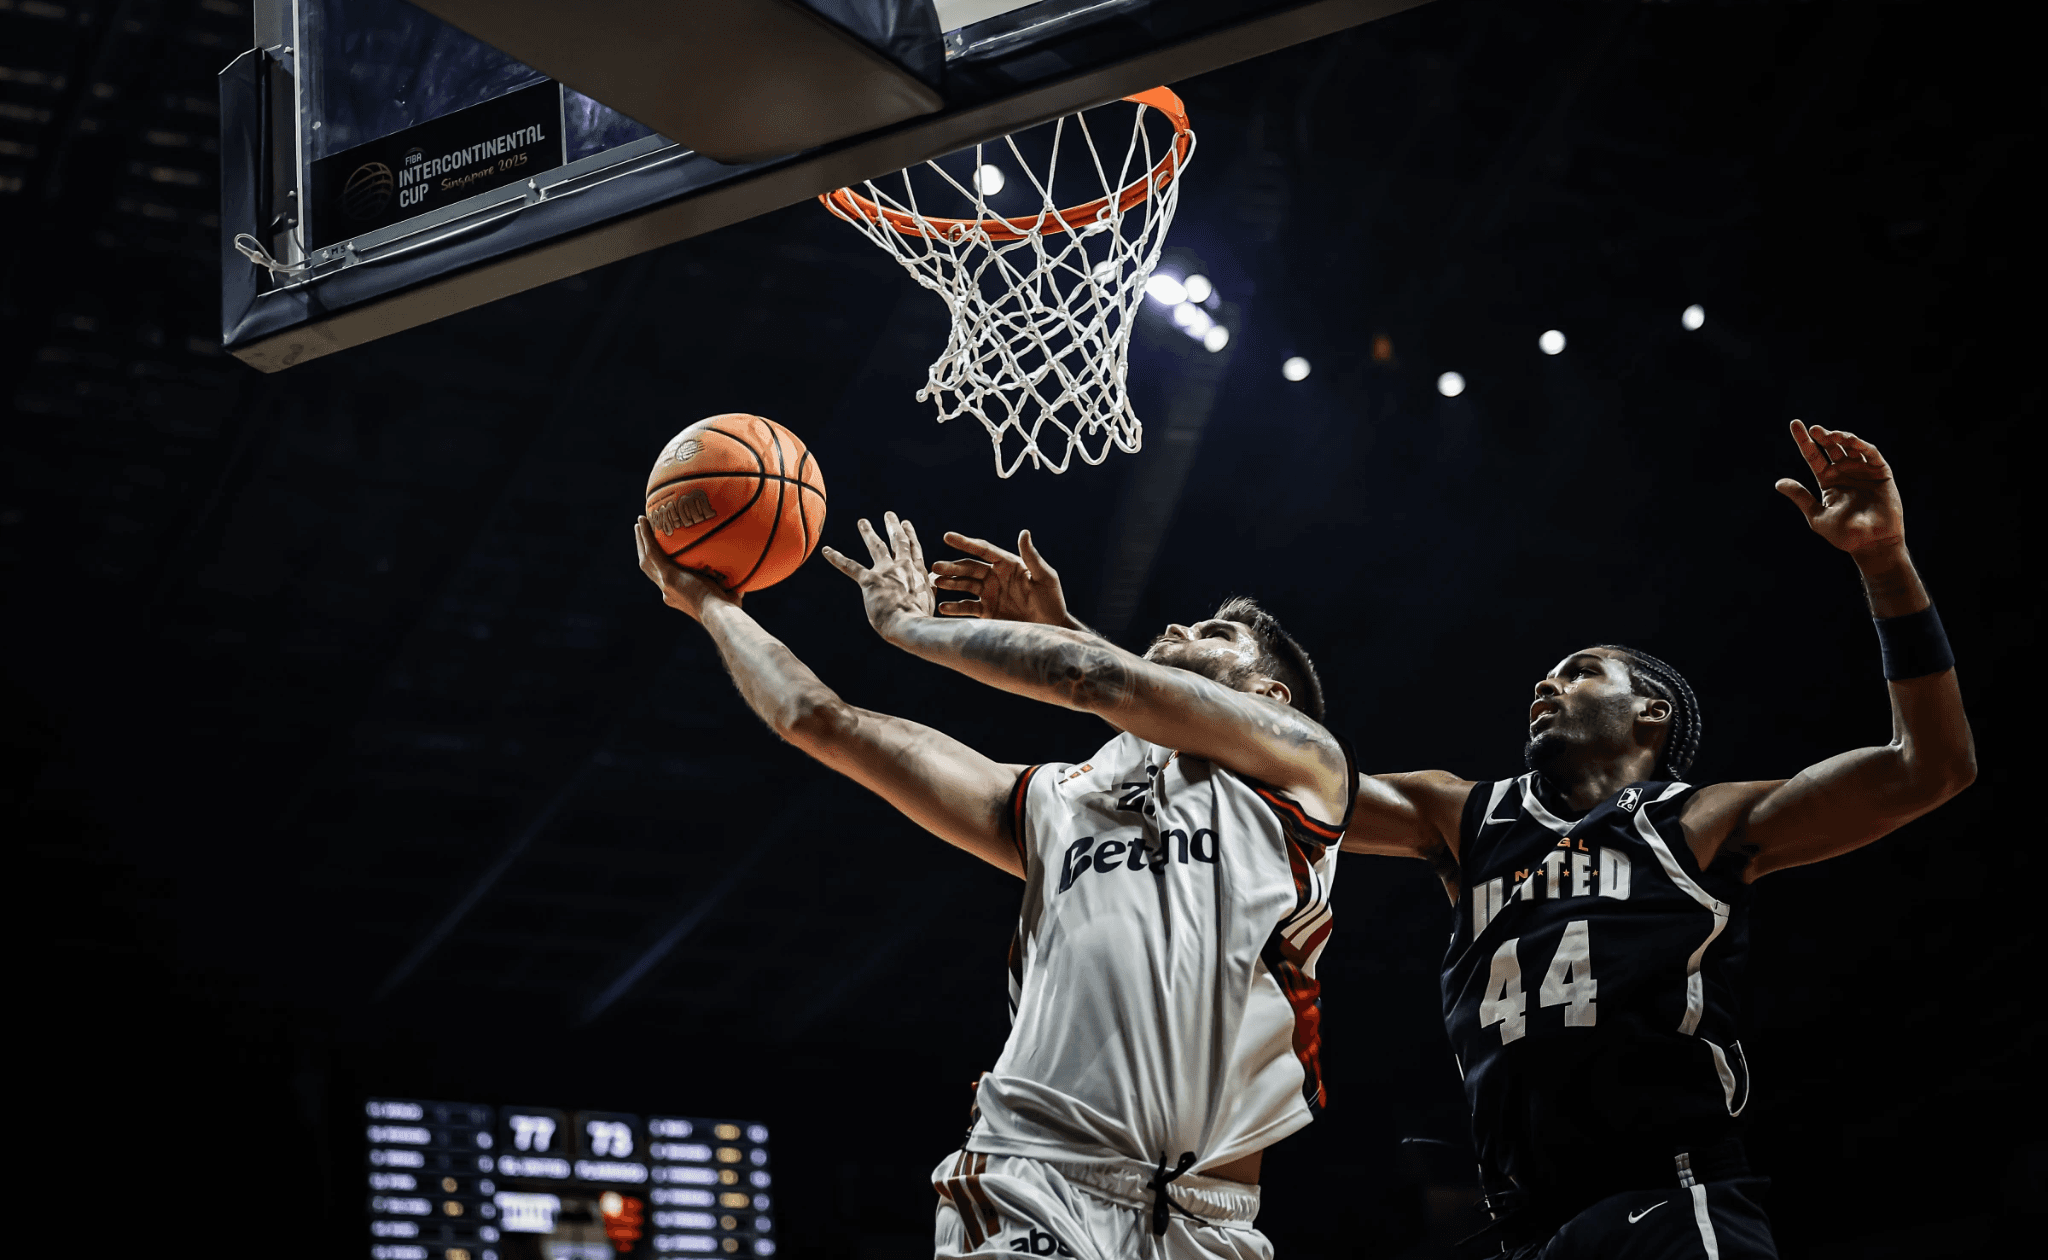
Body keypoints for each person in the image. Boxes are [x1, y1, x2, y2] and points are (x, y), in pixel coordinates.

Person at [935, 421, 1977, 1258]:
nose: (1546, 682)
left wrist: (1882, 562)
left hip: (1664, 1194)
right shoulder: (1461, 816)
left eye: (1579, 671)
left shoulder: (1698, 823)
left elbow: (1925, 769)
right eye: (1547, 671)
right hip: (1523, 1219)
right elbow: (1263, 772)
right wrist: (1075, 645)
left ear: (1650, 716)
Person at [635, 509, 1356, 1260]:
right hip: (1031, 1183)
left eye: (1215, 635)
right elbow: (819, 719)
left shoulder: (1305, 777)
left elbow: (1098, 678)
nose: (1180, 623)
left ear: (1272, 703)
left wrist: (910, 627)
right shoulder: (1053, 800)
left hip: (1210, 1223)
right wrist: (711, 605)